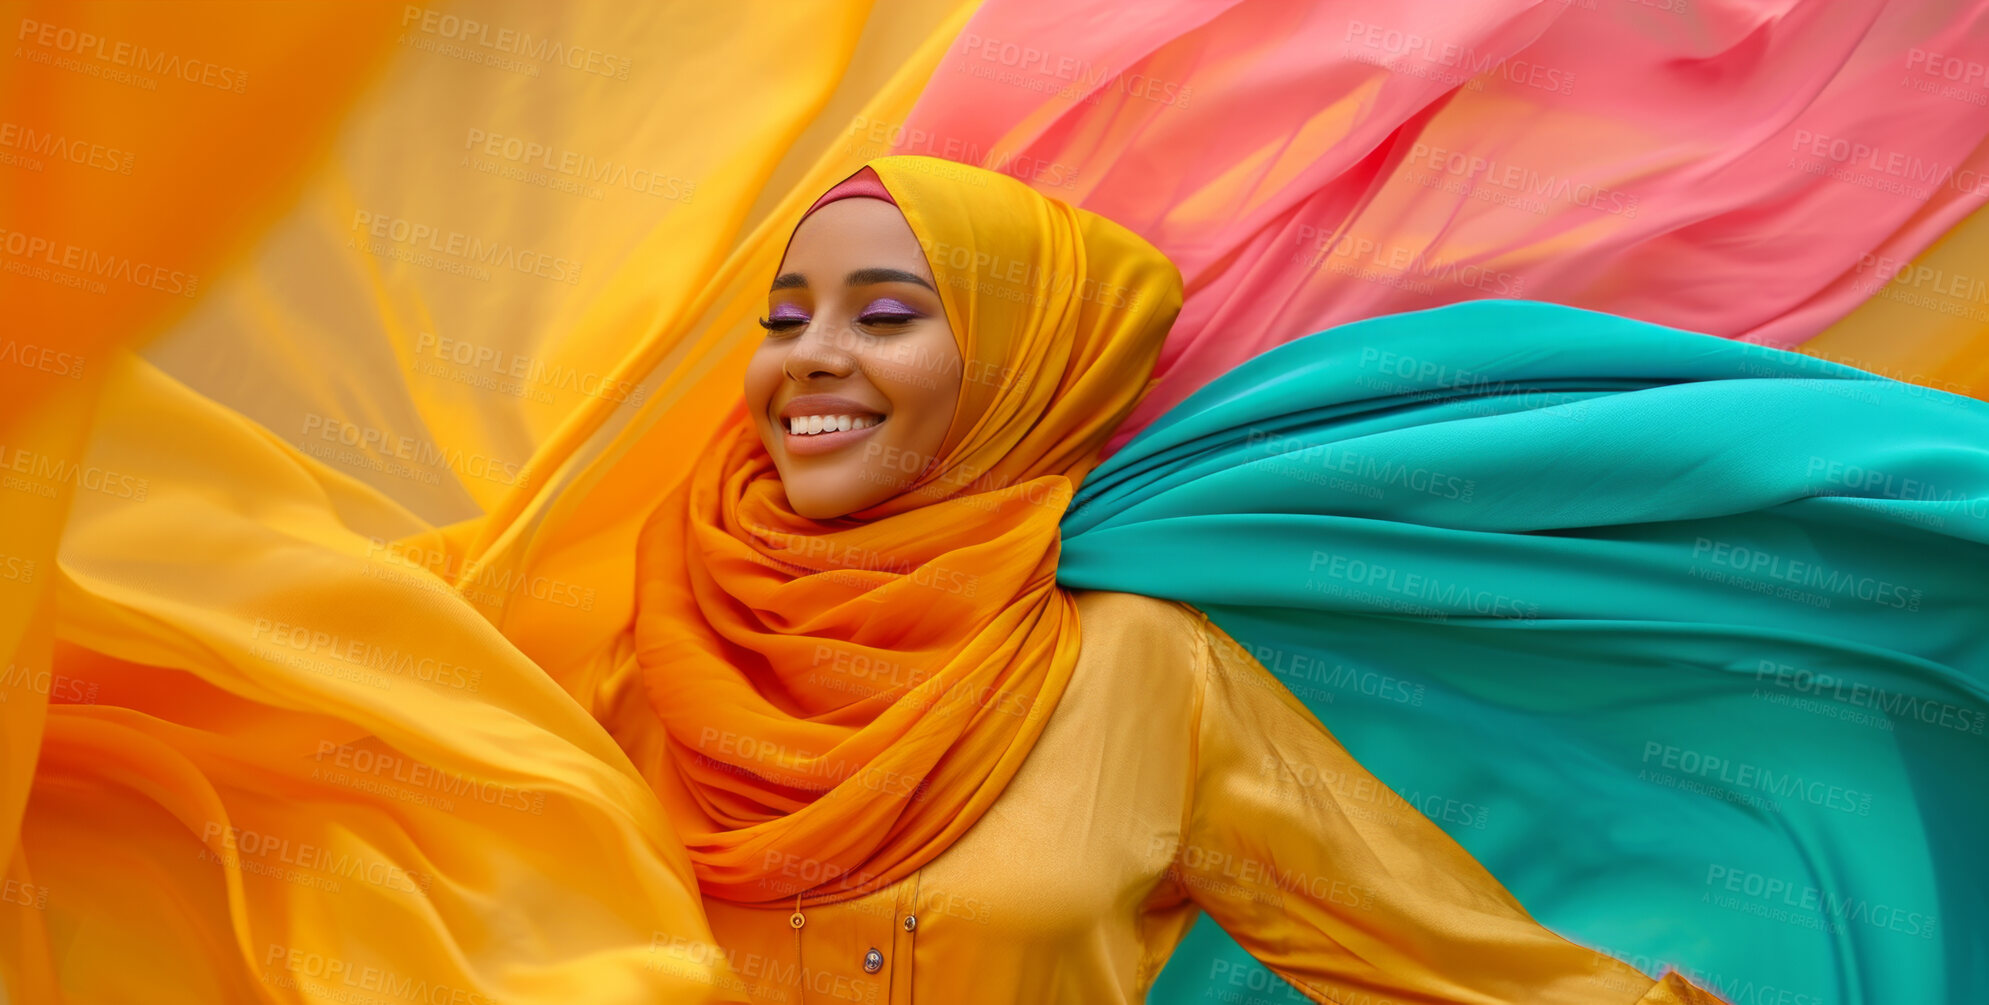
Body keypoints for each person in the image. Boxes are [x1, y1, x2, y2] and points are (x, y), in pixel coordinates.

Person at [616, 158, 1726, 1004]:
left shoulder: (1143, 672)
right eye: (785, 316)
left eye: (888, 314)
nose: (806, 353)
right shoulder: (644, 651)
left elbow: (1442, 959)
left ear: (1026, 372)